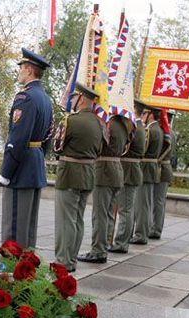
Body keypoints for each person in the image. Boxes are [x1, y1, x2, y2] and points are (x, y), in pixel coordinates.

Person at [0, 48, 53, 248]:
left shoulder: (26, 98)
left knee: (13, 229)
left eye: (21, 67)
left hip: (20, 168)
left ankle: (13, 273)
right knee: (28, 228)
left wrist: (6, 172)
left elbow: (17, 138)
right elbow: (48, 136)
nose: (19, 71)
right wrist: (37, 156)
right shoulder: (45, 98)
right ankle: (27, 269)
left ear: (29, 70)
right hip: (34, 162)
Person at [53, 83, 103, 272]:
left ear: (81, 98)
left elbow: (57, 146)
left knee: (66, 219)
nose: (72, 100)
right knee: (78, 219)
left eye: (74, 97)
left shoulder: (71, 121)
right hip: (89, 173)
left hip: (69, 173)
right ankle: (71, 259)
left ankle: (63, 261)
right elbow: (100, 149)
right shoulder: (100, 123)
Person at [78, 113, 129, 264]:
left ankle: (98, 250)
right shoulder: (123, 125)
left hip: (104, 171)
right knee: (108, 213)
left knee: (100, 214)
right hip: (116, 170)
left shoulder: (109, 124)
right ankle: (104, 245)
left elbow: (98, 145)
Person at [109, 100, 147, 253]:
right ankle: (121, 241)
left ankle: (121, 243)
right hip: (131, 169)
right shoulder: (138, 126)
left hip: (129, 170)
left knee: (125, 209)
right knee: (127, 208)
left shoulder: (135, 126)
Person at [130, 105, 162, 245]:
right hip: (151, 168)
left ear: (150, 114)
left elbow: (142, 149)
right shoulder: (159, 129)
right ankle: (142, 232)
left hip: (145, 168)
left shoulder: (149, 130)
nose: (143, 116)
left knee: (142, 204)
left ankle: (140, 234)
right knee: (146, 203)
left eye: (145, 113)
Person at [150, 109, 176, 240]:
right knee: (158, 201)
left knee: (158, 201)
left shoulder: (166, 133)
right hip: (163, 167)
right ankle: (155, 227)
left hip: (162, 168)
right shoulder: (171, 132)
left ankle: (155, 229)